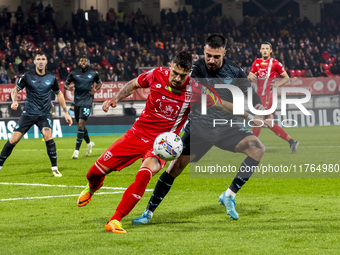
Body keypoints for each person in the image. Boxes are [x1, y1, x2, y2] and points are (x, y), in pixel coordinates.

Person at [76, 51, 252, 234]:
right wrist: (115, 99)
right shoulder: (156, 74)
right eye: (174, 72)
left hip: (162, 144)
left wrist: (252, 116)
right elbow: (133, 84)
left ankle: (115, 220)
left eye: (182, 75)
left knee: (145, 174)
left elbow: (222, 104)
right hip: (136, 134)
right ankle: (93, 185)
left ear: (189, 73)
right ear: (170, 66)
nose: (177, 78)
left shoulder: (196, 89)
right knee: (93, 173)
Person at [132, 34, 266, 225]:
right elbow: (174, 84)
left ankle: (229, 195)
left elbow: (252, 96)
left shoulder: (235, 72)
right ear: (204, 51)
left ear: (224, 53)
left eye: (216, 56)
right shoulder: (193, 69)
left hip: (226, 128)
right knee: (174, 168)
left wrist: (259, 108)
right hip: (199, 129)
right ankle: (148, 212)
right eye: (208, 55)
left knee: (258, 149)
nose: (211, 60)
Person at [0, 51, 72, 177]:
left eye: (43, 59)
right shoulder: (27, 76)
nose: (40, 61)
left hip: (44, 114)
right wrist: (15, 100)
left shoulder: (51, 78)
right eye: (38, 59)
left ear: (46, 61)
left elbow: (59, 94)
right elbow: (15, 90)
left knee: (48, 136)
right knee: (13, 139)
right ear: (34, 62)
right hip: (28, 114)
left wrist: (66, 112)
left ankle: (54, 168)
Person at [248, 41, 299, 153]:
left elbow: (286, 77)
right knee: (269, 123)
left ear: (271, 51)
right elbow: (250, 75)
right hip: (258, 95)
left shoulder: (275, 63)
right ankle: (292, 142)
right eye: (263, 48)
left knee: (257, 120)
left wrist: (276, 85)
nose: (265, 50)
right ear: (260, 50)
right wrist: (251, 77)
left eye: (267, 48)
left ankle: (252, 146)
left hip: (267, 96)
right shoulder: (256, 62)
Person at [64, 56, 102, 159]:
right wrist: (69, 87)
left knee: (81, 125)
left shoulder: (94, 73)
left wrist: (95, 89)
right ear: (79, 63)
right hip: (77, 102)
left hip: (87, 101)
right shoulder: (73, 73)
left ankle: (76, 151)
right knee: (80, 126)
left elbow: (99, 83)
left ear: (88, 63)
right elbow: (65, 85)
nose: (83, 62)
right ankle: (89, 143)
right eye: (81, 60)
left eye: (85, 60)